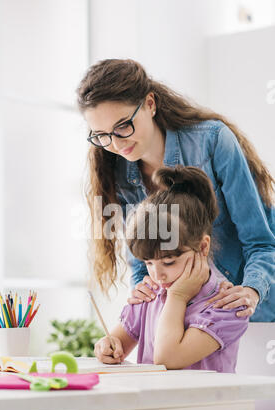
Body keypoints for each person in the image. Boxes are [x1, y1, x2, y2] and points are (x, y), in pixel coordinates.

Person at [77, 58, 275, 322]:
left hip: (253, 312)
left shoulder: (213, 142)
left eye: (123, 126)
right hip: (190, 322)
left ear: (150, 103)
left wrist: (250, 291)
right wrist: (141, 292)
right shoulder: (118, 173)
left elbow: (261, 243)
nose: (115, 143)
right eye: (101, 135)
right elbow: (141, 263)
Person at [94, 165, 249, 410]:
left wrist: (177, 297)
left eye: (168, 262)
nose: (157, 275)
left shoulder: (227, 305)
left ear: (202, 248)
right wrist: (107, 345)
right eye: (148, 264)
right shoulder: (152, 292)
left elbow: (168, 357)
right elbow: (118, 342)